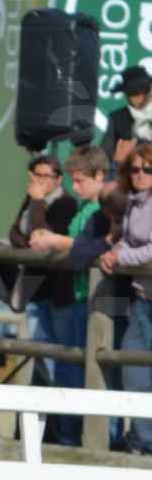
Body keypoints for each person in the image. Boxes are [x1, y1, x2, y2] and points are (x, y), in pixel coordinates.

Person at [28, 145, 115, 447]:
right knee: (74, 365)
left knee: (96, 368)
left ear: (100, 175)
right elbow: (81, 243)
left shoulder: (104, 207)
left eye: (80, 181)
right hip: (80, 294)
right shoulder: (83, 207)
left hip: (97, 297)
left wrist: (55, 241)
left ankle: (100, 437)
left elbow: (88, 243)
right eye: (73, 181)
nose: (74, 187)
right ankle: (73, 434)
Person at [96, 142, 152, 454]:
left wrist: (121, 256)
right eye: (135, 169)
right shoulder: (133, 202)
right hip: (142, 297)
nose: (141, 174)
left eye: (148, 168)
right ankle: (145, 440)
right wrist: (116, 251)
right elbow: (106, 197)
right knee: (134, 372)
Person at [7, 155, 79, 384]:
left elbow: (42, 238)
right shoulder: (32, 200)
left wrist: (37, 202)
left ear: (58, 180)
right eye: (35, 175)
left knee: (59, 356)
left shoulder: (65, 203)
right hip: (35, 289)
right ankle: (46, 417)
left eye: (45, 176)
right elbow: (16, 233)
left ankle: (61, 415)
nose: (39, 181)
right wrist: (35, 203)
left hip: (57, 291)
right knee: (40, 354)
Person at [100, 63, 152, 177]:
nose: (135, 98)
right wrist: (118, 160)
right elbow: (104, 158)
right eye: (131, 93)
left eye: (140, 91)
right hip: (127, 181)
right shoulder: (117, 118)